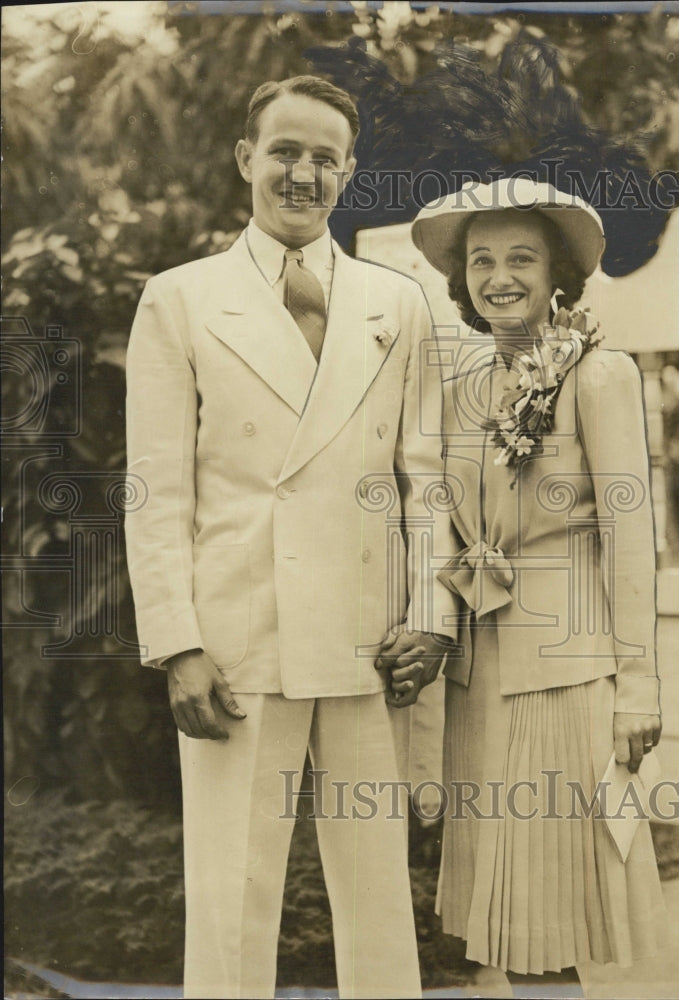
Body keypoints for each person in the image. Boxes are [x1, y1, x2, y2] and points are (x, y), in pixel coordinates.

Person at [124, 75, 458, 1000]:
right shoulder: (181, 299)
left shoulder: (399, 303)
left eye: (323, 158)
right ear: (246, 160)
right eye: (284, 152)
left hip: (371, 639)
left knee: (379, 901)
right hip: (236, 639)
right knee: (233, 896)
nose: (302, 175)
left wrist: (430, 616)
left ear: (349, 173)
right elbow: (153, 490)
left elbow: (425, 480)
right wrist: (178, 643)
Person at [390, 178, 666, 996]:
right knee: (487, 927)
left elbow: (630, 535)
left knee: (550, 921)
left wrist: (637, 685)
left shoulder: (600, 373)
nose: (498, 276)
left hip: (566, 672)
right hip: (477, 671)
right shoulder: (459, 385)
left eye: (520, 258)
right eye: (480, 260)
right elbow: (431, 514)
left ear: (557, 277)